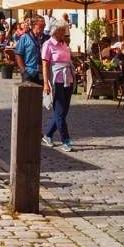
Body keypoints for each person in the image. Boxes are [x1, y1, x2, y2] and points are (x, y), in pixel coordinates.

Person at [42, 20, 77, 150]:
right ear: (55, 31)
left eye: (65, 30)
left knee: (63, 111)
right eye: (62, 30)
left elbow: (67, 60)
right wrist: (46, 83)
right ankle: (66, 140)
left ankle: (48, 135)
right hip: (56, 81)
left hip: (68, 79)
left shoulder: (64, 44)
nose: (64, 32)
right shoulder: (48, 44)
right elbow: (45, 65)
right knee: (59, 111)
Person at [13, 16, 44, 84]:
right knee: (28, 94)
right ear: (33, 25)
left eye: (44, 26)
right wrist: (23, 71)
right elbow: (18, 55)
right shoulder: (24, 38)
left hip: (41, 73)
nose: (43, 28)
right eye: (41, 26)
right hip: (29, 72)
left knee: (40, 94)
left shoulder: (44, 39)